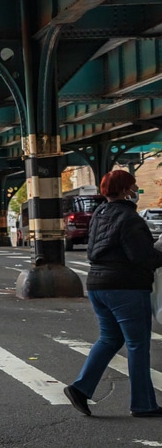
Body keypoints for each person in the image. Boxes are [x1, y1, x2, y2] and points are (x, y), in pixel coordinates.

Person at [64, 170, 162, 417]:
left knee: (110, 339)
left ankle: (81, 388)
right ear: (125, 189)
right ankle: (143, 404)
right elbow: (142, 257)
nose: (136, 190)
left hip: (98, 285)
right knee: (138, 345)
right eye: (134, 186)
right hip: (126, 288)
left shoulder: (99, 214)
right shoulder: (130, 219)